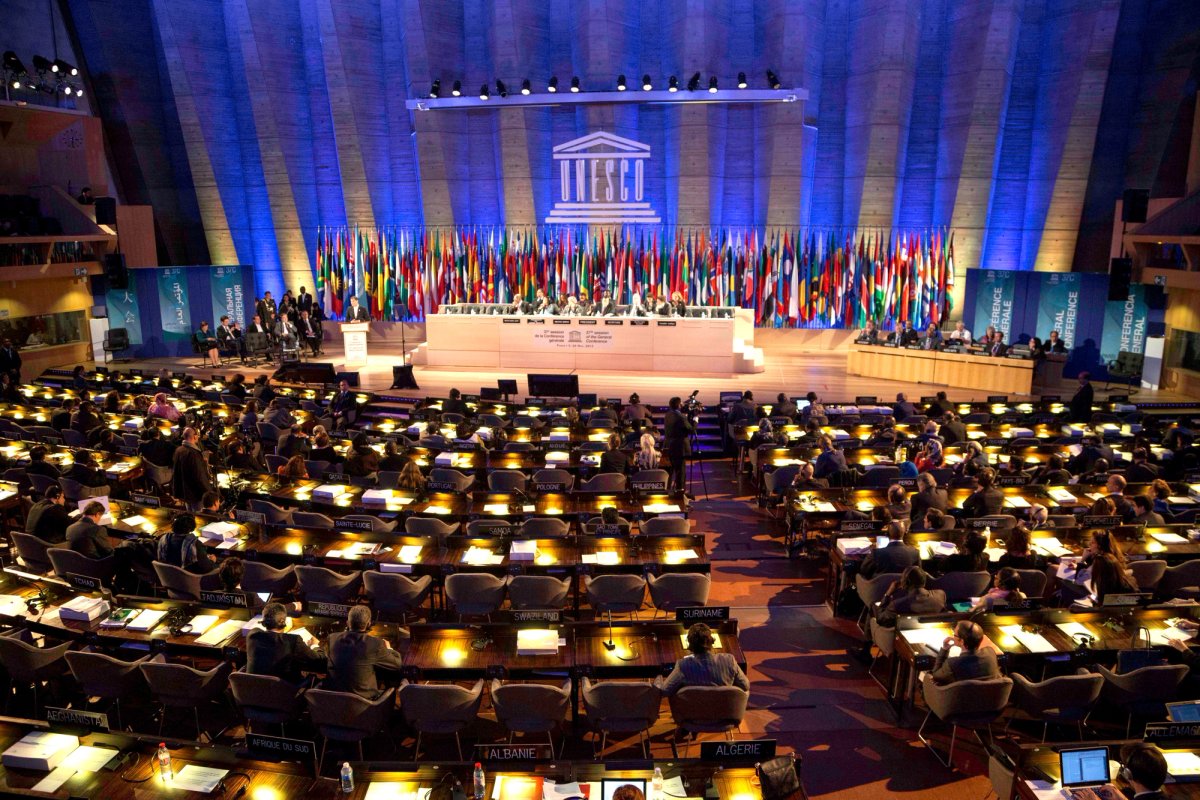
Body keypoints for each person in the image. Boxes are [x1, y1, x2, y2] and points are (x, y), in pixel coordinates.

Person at [325, 605, 403, 698]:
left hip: (333, 702)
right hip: (365, 705)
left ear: (347, 623)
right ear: (369, 624)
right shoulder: (376, 643)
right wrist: (389, 648)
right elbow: (397, 664)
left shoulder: (332, 638)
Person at [658, 623, 750, 696]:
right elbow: (745, 686)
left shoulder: (683, 665)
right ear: (712, 641)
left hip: (692, 715)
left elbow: (665, 691)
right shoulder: (729, 660)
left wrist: (659, 679)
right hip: (724, 713)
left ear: (689, 644)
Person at [247, 602, 323, 685]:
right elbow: (319, 661)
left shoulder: (253, 634)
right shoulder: (293, 640)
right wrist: (314, 645)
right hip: (283, 693)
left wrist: (293, 606)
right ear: (283, 621)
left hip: (253, 691)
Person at [929, 620, 1000, 685]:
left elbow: (935, 676)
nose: (953, 637)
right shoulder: (990, 653)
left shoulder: (953, 664)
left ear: (962, 641)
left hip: (961, 698)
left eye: (954, 634)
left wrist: (944, 650)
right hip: (989, 697)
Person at [875, 566, 947, 626]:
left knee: (873, 606)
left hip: (900, 636)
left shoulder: (896, 604)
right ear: (924, 581)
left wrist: (887, 594)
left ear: (906, 583)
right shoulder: (941, 595)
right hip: (932, 629)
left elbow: (880, 619)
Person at [172, 427, 213, 513]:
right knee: (199, 516)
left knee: (190, 514)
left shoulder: (178, 450)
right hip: (196, 493)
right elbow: (199, 476)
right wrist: (208, 492)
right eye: (197, 435)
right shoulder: (193, 454)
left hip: (184, 492)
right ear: (194, 437)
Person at [663, 396, 695, 494]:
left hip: (669, 446)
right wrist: (696, 420)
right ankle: (680, 493)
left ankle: (667, 491)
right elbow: (691, 429)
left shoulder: (668, 414)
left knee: (670, 471)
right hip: (679, 447)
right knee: (680, 472)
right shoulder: (681, 417)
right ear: (678, 405)